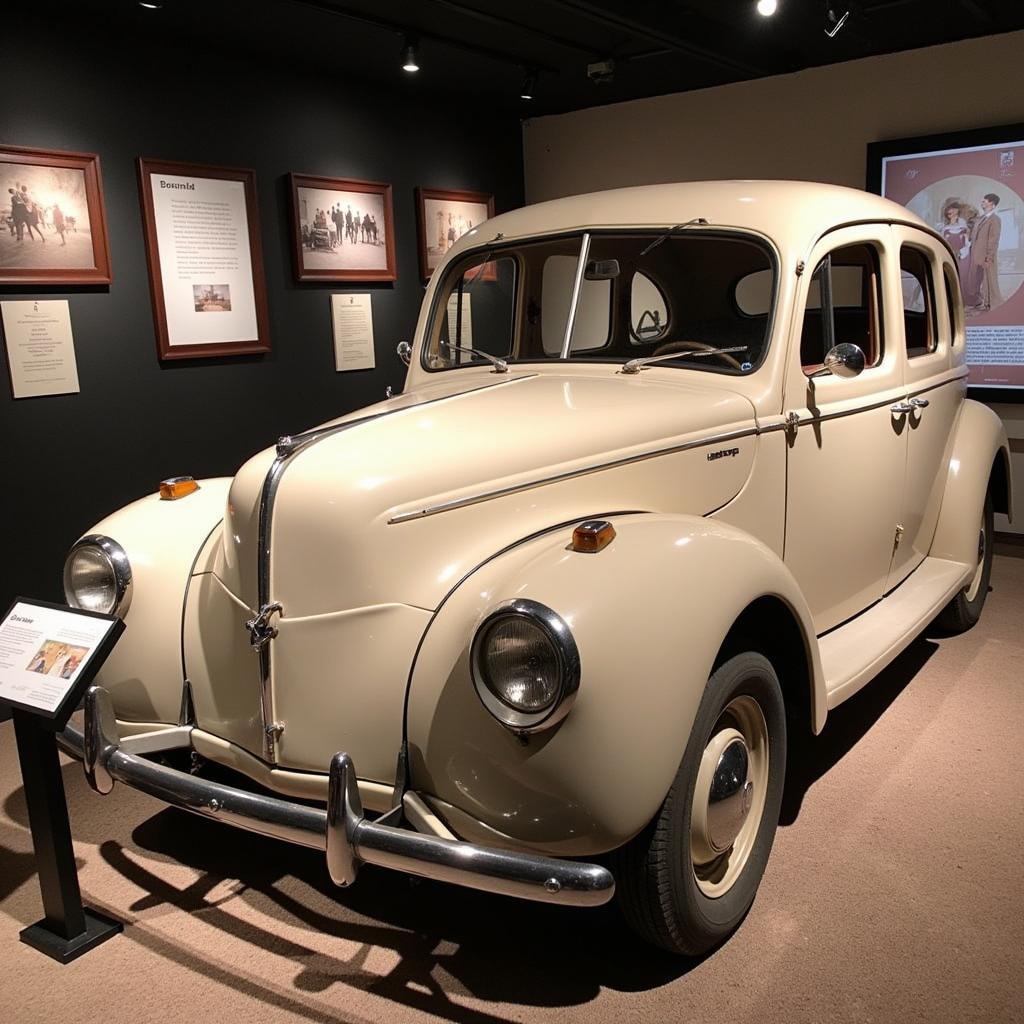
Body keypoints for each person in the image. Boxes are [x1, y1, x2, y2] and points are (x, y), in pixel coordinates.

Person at [965, 193, 1002, 313]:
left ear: (992, 203)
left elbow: (993, 240)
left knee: (989, 280)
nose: (982, 203)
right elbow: (973, 236)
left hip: (986, 255)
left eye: (984, 201)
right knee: (974, 279)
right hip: (975, 254)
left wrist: (989, 257)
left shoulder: (995, 219)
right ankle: (977, 302)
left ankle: (991, 304)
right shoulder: (981, 218)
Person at [938, 199, 971, 294]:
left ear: (957, 211)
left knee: (961, 277)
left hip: (961, 256)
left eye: (953, 209)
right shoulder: (944, 228)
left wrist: (961, 253)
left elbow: (967, 243)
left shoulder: (963, 227)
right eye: (949, 209)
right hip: (948, 255)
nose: (950, 211)